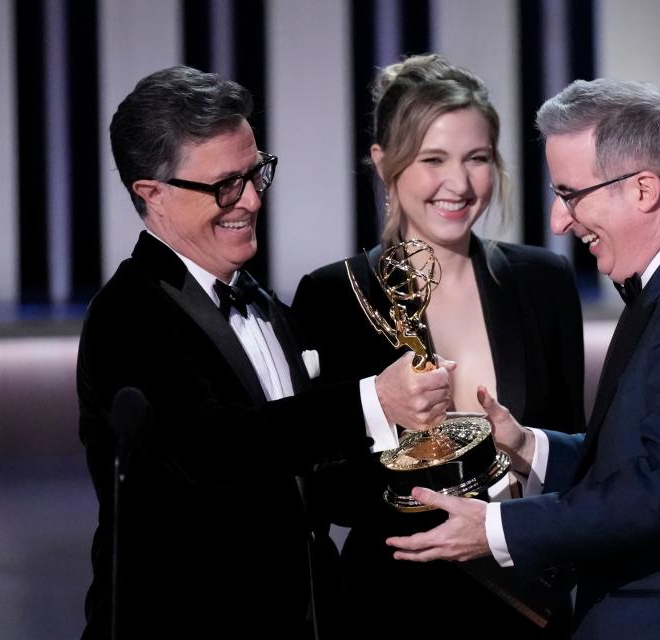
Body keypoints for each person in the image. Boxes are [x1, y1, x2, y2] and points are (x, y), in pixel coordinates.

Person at [387, 79, 660, 639]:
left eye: (571, 194)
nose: (560, 220)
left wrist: (499, 528)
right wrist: (526, 444)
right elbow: (652, 451)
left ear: (644, 189)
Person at [77, 65, 451, 640]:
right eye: (225, 184)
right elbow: (216, 448)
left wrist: (452, 485)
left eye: (256, 175)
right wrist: (373, 401)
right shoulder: (128, 316)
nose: (250, 200)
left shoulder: (263, 301)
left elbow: (301, 474)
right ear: (151, 194)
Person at [291, 54, 584, 638]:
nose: (459, 183)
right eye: (432, 160)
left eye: (477, 159)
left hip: (526, 602)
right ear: (384, 165)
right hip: (392, 604)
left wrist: (523, 461)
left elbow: (576, 454)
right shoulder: (331, 295)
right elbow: (320, 484)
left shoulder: (543, 282)